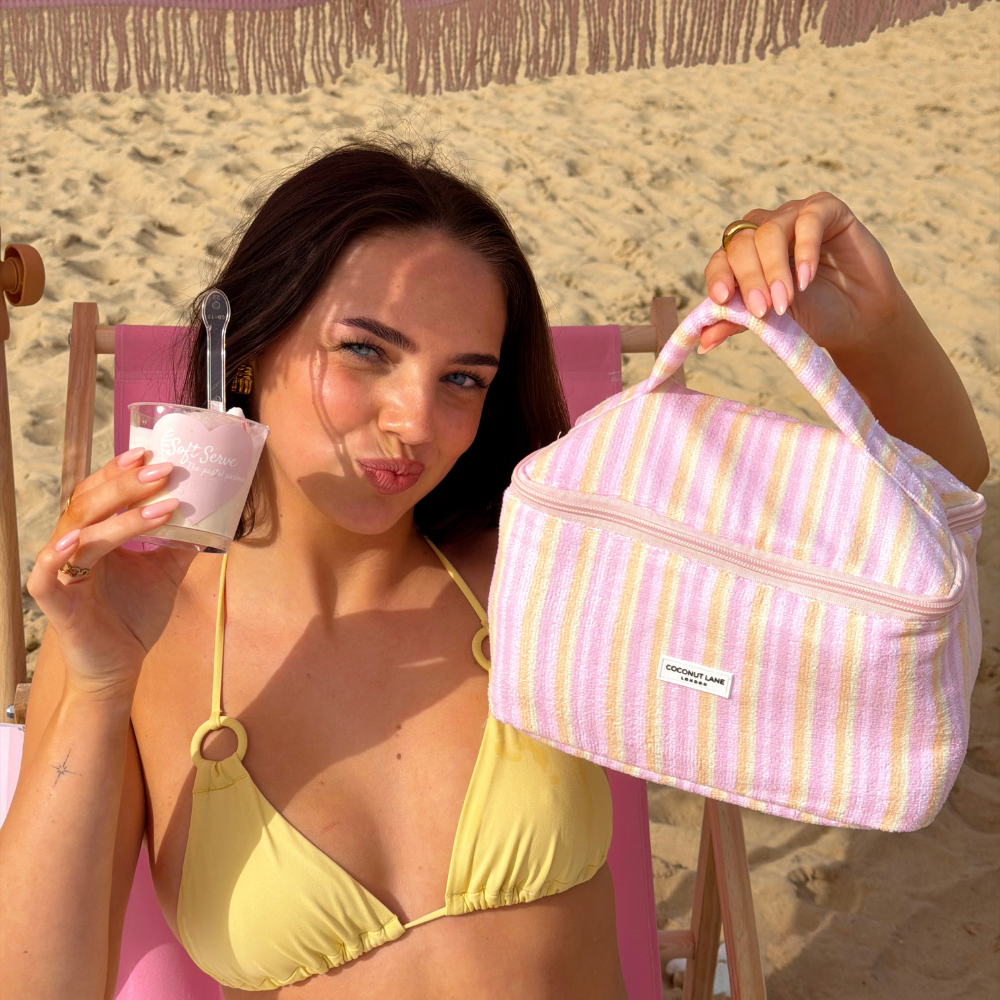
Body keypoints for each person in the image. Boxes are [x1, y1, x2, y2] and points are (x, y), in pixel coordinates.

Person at [0, 141, 988, 1000]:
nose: (415, 423)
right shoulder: (131, 642)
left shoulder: (539, 566)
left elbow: (931, 512)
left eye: (462, 378)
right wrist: (96, 686)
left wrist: (869, 324)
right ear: (250, 350)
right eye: (366, 351)